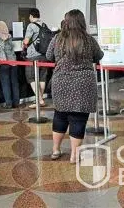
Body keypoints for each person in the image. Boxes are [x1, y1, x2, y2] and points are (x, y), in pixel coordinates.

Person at [46, 9, 103, 163]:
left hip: (61, 82)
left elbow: (49, 56)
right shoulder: (89, 39)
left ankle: (56, 150)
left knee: (60, 116)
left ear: (66, 22)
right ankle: (74, 155)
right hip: (83, 84)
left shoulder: (57, 38)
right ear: (82, 22)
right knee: (78, 119)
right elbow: (99, 55)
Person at [0, 21, 20, 109]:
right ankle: (16, 102)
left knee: (5, 83)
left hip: (3, 63)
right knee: (14, 83)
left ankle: (8, 103)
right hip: (13, 62)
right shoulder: (10, 36)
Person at [23, 8, 48, 109]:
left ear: (31, 16)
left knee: (31, 77)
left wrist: (23, 44)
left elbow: (26, 41)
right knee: (42, 77)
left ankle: (40, 100)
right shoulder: (44, 25)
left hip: (33, 56)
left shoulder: (31, 25)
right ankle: (40, 99)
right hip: (44, 55)